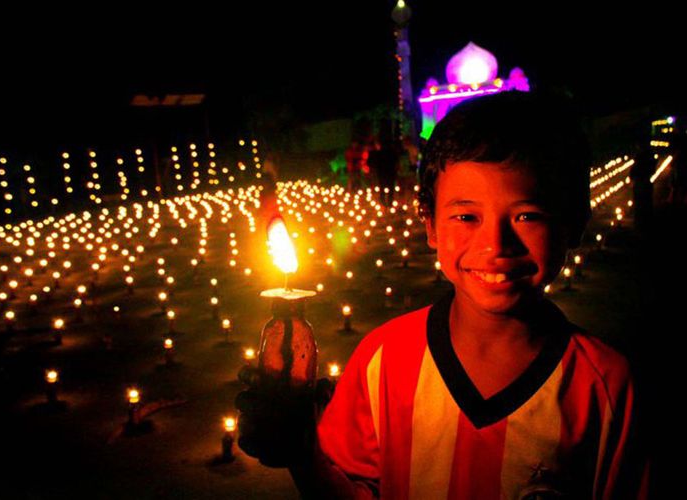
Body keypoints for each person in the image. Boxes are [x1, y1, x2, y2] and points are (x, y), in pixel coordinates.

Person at [236, 91, 650, 499]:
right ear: (430, 225)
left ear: (573, 224)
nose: (496, 245)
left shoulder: (606, 387)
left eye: (528, 215)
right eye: (466, 216)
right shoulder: (382, 360)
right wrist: (301, 453)